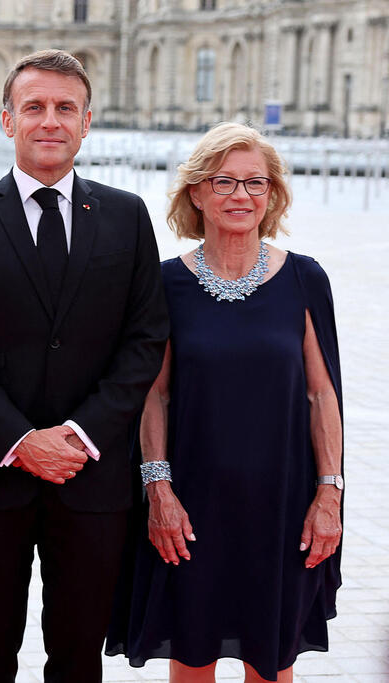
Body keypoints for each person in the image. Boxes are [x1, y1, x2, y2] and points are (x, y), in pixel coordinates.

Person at [0, 49, 169, 682]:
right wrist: (20, 440)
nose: (49, 120)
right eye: (34, 107)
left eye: (65, 108)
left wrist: (78, 437)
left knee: (79, 656)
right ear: (8, 121)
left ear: (87, 122)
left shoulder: (126, 216)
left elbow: (144, 340)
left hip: (94, 478)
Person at [105, 122, 343, 682]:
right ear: (197, 193)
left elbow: (321, 393)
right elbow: (153, 395)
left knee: (271, 661)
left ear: (273, 194)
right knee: (192, 656)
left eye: (256, 184)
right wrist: (158, 489)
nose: (241, 196)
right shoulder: (164, 284)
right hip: (190, 505)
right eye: (224, 182)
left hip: (283, 505)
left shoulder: (305, 280)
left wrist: (328, 494)